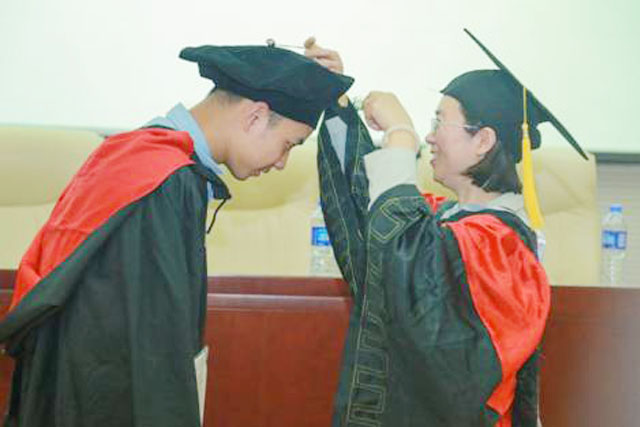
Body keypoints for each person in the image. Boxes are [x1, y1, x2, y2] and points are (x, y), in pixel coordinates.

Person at [0, 42, 353, 427]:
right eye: (288, 145)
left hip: (63, 385)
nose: (282, 163)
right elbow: (156, 348)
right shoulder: (169, 182)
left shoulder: (137, 154)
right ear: (255, 116)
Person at [306, 30, 587, 426]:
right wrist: (335, 99)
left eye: (440, 121)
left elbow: (406, 255)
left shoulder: (502, 247)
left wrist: (400, 134)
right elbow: (373, 213)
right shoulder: (446, 220)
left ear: (483, 140)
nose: (430, 136)